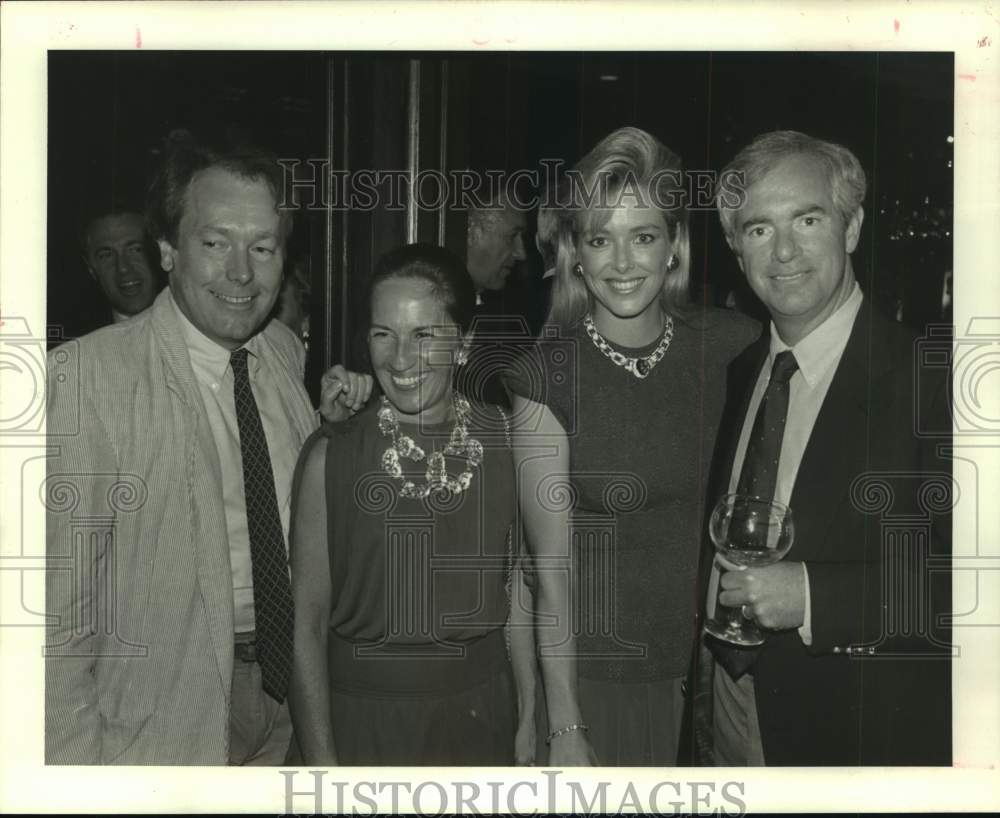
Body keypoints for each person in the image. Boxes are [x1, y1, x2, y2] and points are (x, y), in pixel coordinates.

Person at [44, 135, 371, 765]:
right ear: (167, 248)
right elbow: (57, 625)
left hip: (293, 699)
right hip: (165, 717)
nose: (241, 273)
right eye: (215, 243)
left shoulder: (280, 350)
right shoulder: (87, 377)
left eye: (263, 248)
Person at [506, 127, 759, 766]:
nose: (622, 263)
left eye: (643, 236)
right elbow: (549, 574)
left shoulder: (732, 346)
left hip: (719, 682)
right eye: (599, 238)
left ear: (675, 244)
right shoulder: (544, 376)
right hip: (599, 690)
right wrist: (563, 725)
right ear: (575, 254)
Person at [701, 130, 951, 766]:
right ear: (735, 247)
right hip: (726, 707)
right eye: (758, 229)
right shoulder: (742, 371)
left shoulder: (935, 380)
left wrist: (813, 596)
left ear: (852, 226)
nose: (783, 251)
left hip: (857, 737)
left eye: (807, 219)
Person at [289, 243, 537, 765]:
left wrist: (530, 718)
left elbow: (517, 594)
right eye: (384, 334)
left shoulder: (509, 441)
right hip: (363, 726)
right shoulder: (332, 455)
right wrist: (321, 768)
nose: (400, 358)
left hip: (482, 718)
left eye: (424, 335)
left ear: (465, 342)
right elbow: (305, 627)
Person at [81, 210, 160, 323]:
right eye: (106, 255)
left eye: (135, 250)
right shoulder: (79, 339)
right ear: (90, 267)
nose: (123, 268)